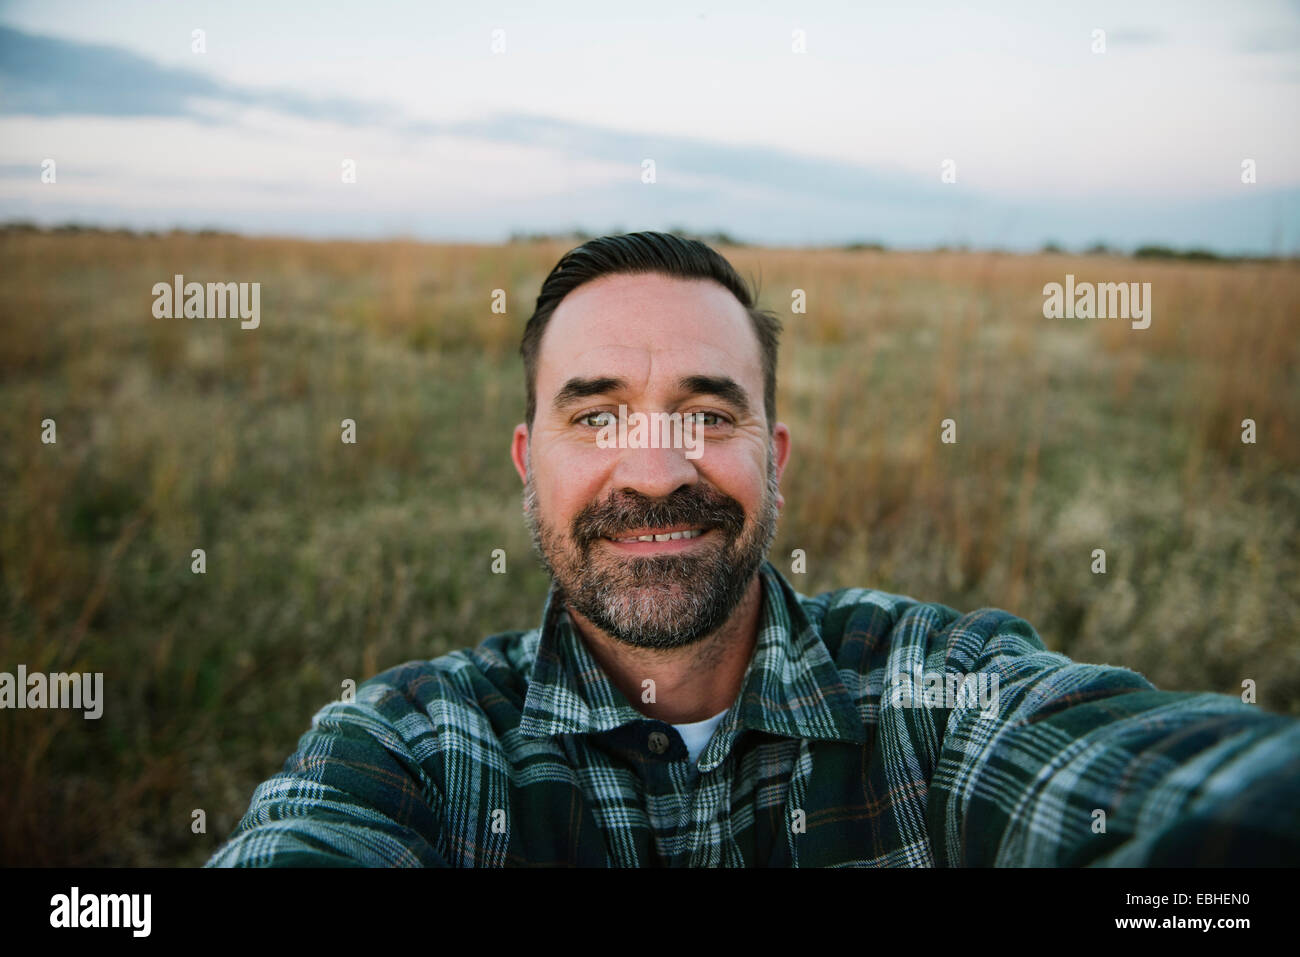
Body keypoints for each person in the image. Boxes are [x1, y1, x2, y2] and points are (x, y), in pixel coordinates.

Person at [206, 231, 1299, 867]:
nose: (654, 472)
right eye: (595, 417)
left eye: (707, 412)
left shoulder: (933, 694)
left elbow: (1159, 789)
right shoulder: (413, 752)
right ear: (525, 459)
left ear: (773, 453)